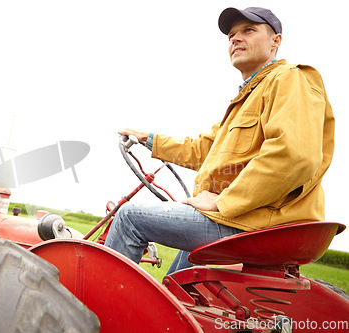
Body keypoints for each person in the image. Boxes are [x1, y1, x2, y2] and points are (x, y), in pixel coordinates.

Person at [104, 7, 335, 274]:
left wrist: (222, 202)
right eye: (231, 35)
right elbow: (204, 150)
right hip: (246, 218)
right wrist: (150, 141)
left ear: (276, 41)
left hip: (258, 221)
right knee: (178, 275)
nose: (235, 38)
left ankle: (104, 311)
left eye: (248, 30)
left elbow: (294, 155)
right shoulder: (247, 98)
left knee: (129, 217)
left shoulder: (289, 79)